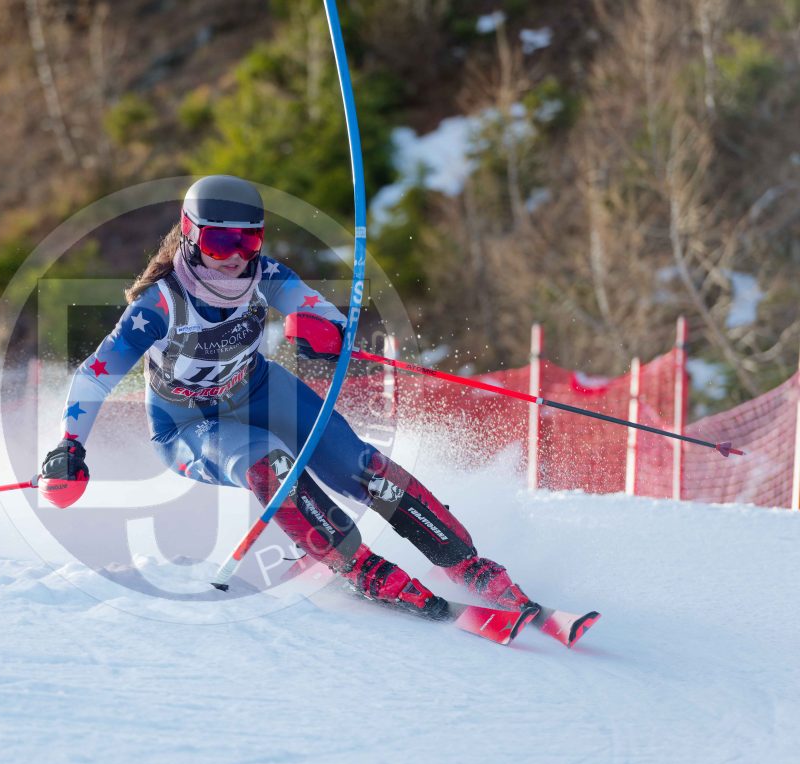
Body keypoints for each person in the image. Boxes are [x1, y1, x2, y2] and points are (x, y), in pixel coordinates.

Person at [39, 175, 533, 619]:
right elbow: (95, 375)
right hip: (188, 423)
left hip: (260, 389)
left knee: (359, 465)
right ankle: (358, 567)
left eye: (248, 239)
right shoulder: (160, 304)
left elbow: (321, 311)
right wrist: (69, 446)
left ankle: (465, 563)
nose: (235, 254)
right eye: (219, 241)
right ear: (190, 234)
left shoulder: (265, 275)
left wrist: (327, 331)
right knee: (269, 463)